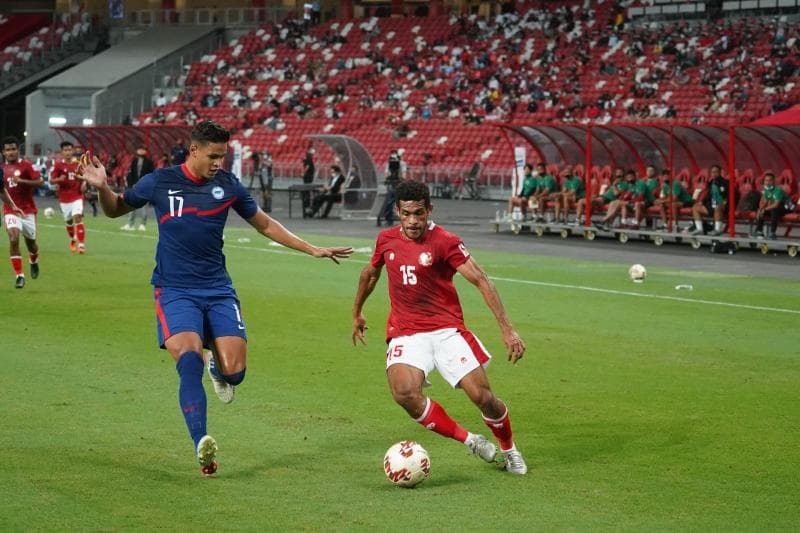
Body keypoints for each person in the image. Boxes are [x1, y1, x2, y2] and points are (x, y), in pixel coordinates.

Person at [76, 120, 353, 476]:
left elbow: (265, 224)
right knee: (188, 358)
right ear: (194, 151)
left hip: (218, 289)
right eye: (213, 155)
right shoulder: (160, 181)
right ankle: (202, 444)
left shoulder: (228, 185)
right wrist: (102, 188)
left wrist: (311, 248)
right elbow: (115, 209)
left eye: (224, 156)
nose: (219, 162)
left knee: (234, 375)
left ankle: (217, 367)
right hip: (174, 290)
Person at [352, 180, 528, 475]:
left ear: (429, 210)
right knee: (404, 393)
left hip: (446, 331)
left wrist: (508, 329)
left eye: (418, 213)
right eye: (406, 213)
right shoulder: (386, 240)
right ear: (397, 211)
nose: (412, 221)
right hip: (406, 332)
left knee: (483, 398)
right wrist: (357, 312)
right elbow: (370, 274)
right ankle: (470, 440)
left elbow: (481, 280)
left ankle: (509, 449)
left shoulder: (446, 241)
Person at [2, 136, 44, 289]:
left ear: (18, 150)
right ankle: (19, 275)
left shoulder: (26, 166)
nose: (11, 152)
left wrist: (23, 182)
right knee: (13, 238)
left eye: (13, 149)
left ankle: (33, 261)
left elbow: (40, 182)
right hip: (10, 210)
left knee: (31, 244)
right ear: (3, 152)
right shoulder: (1, 169)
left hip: (28, 211)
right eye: (8, 150)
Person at [50, 141, 87, 253]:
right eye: (65, 150)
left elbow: (84, 176)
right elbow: (51, 181)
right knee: (69, 222)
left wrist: (84, 183)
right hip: (64, 198)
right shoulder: (58, 165)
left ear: (73, 151)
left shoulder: (78, 164)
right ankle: (72, 239)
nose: (68, 152)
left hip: (77, 196)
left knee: (77, 217)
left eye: (70, 150)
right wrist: (58, 180)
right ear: (62, 152)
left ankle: (81, 245)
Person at [688, 165, 731, 236]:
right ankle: (700, 229)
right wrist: (702, 202)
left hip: (722, 207)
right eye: (712, 172)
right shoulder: (711, 182)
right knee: (695, 207)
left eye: (716, 172)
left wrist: (725, 201)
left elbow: (728, 195)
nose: (714, 174)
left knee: (718, 207)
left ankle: (717, 230)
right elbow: (708, 194)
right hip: (711, 206)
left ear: (720, 172)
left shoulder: (725, 182)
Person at [122, 147, 155, 231]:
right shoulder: (134, 161)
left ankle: (142, 225)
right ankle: (130, 224)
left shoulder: (149, 162)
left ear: (145, 151)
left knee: (144, 206)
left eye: (143, 149)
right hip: (134, 186)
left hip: (145, 187)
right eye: (139, 149)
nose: (140, 151)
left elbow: (151, 174)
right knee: (132, 206)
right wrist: (131, 184)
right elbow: (131, 173)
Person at [752, 172, 788, 239]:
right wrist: (760, 210)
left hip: (786, 207)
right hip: (775, 208)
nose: (767, 182)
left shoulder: (778, 190)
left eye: (770, 180)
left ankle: (772, 233)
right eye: (766, 180)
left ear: (773, 181)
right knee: (761, 210)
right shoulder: (767, 190)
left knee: (774, 210)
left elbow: (776, 204)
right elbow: (765, 201)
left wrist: (764, 209)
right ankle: (759, 231)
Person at [377, 149, 405, 227]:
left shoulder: (402, 164)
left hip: (398, 184)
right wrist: (388, 179)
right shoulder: (388, 164)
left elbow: (403, 175)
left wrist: (400, 179)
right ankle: (388, 216)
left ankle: (393, 215)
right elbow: (386, 173)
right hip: (392, 185)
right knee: (390, 200)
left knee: (396, 201)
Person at [301, 147, 315, 218]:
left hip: (308, 176)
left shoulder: (306, 158)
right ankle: (307, 202)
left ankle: (307, 201)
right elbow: (307, 166)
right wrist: (303, 172)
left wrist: (303, 172)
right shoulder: (309, 158)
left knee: (307, 189)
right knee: (307, 189)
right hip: (308, 176)